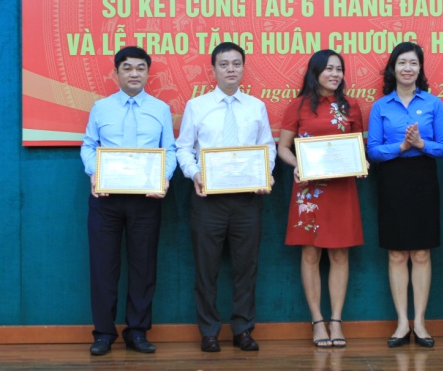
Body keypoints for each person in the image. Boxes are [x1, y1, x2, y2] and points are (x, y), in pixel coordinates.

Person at [176, 42, 276, 353]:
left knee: (246, 267)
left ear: (243, 68)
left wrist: (265, 173)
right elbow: (184, 148)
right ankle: (209, 332)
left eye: (236, 63)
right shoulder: (197, 106)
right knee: (206, 269)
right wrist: (195, 174)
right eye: (224, 64)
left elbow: (267, 146)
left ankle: (243, 330)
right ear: (214, 69)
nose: (230, 69)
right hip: (208, 199)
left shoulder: (256, 106)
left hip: (247, 199)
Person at [80, 46, 177, 356]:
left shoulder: (160, 109)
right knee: (103, 268)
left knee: (143, 268)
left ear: (147, 73)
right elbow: (88, 146)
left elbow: (170, 150)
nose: (134, 73)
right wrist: (95, 173)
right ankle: (103, 334)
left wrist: (164, 178)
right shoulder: (101, 108)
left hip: (146, 199)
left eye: (140, 68)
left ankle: (137, 331)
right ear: (117, 73)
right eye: (127, 68)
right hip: (106, 200)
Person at [276, 50, 365, 348]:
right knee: (311, 255)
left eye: (339, 69)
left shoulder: (351, 106)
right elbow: (283, 148)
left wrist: (361, 162)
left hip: (342, 190)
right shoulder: (298, 106)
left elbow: (357, 147)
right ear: (315, 72)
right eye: (328, 69)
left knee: (340, 255)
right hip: (309, 190)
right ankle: (317, 321)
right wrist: (297, 164)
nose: (335, 74)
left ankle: (336, 321)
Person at [367, 42, 443, 348]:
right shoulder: (381, 106)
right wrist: (401, 147)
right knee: (397, 253)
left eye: (413, 63)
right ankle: (402, 323)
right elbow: (373, 151)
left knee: (421, 253)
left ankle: (420, 323)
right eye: (402, 62)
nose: (407, 68)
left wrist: (421, 144)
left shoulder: (433, 103)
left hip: (423, 179)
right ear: (393, 68)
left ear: (420, 69)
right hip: (392, 180)